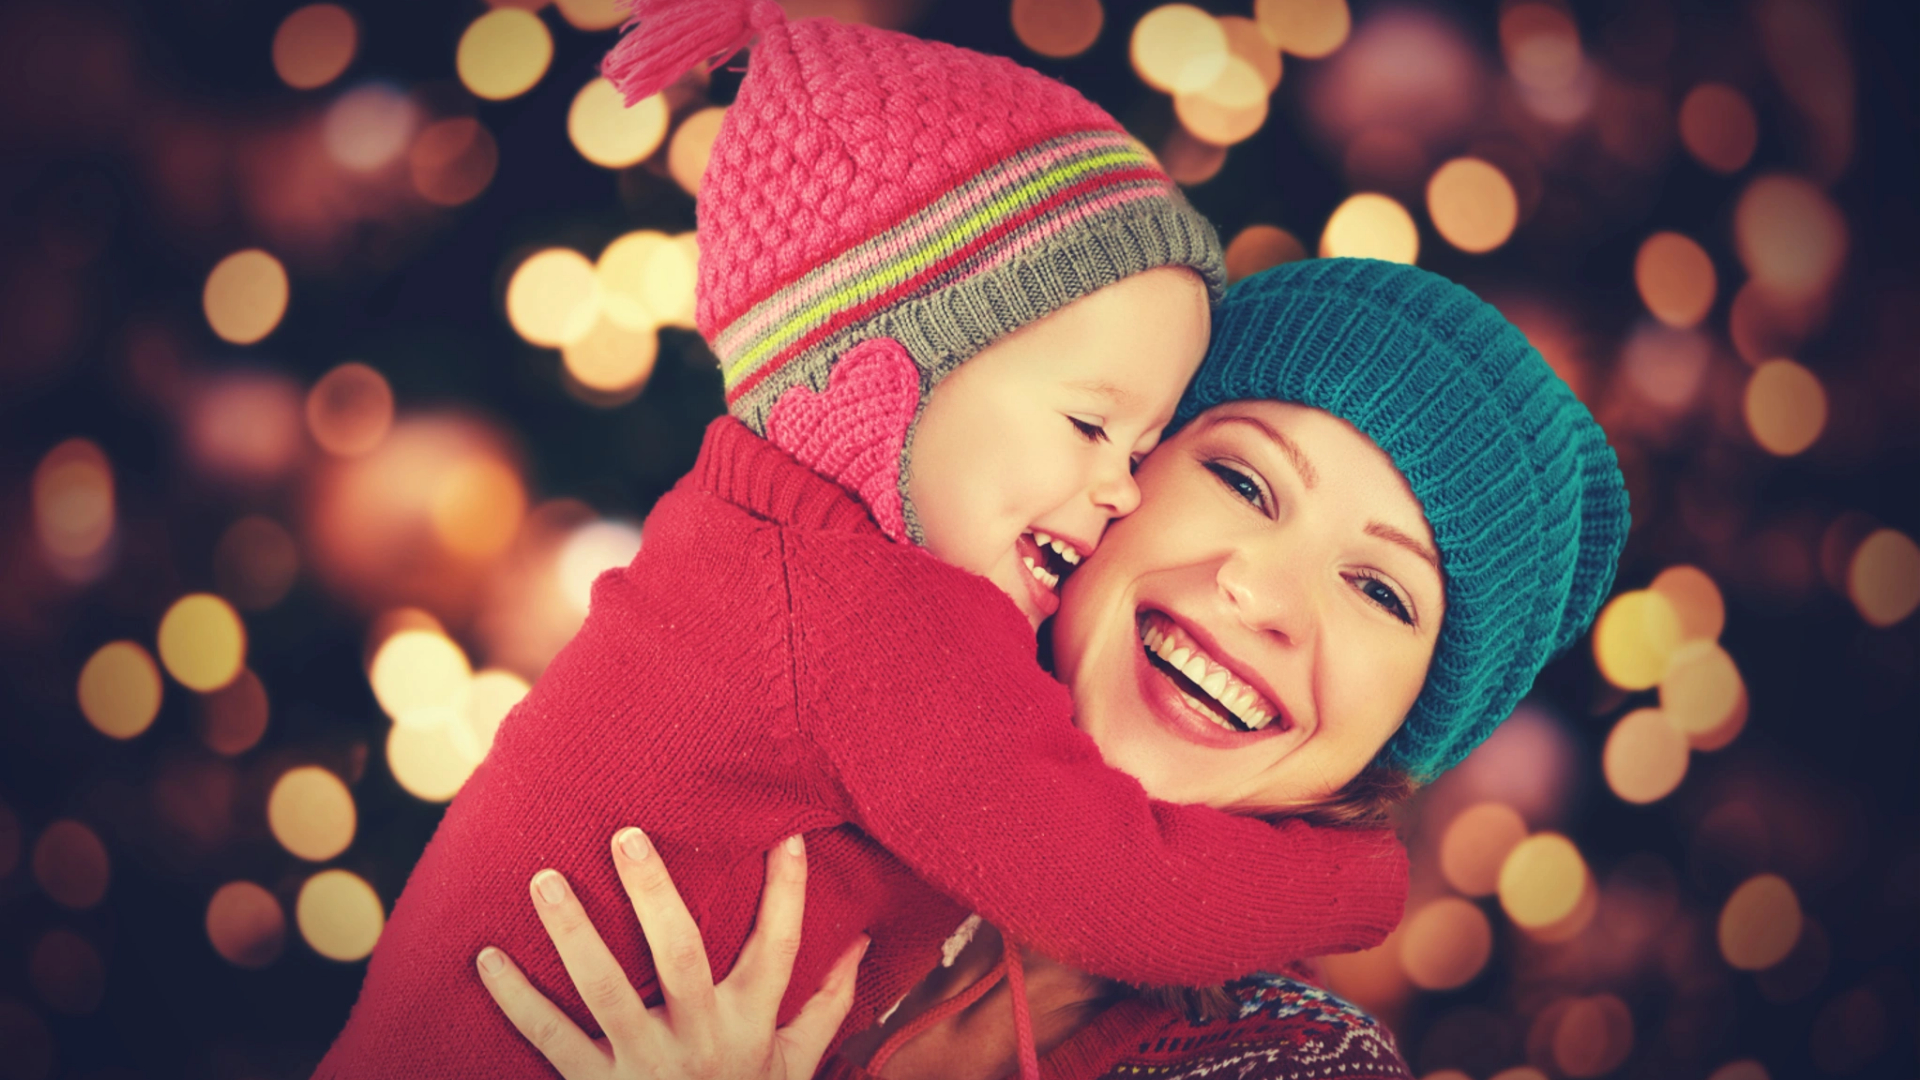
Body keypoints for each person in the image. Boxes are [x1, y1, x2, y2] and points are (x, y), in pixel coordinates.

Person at [313, 7, 1411, 1079]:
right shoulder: (877, 613)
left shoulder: (755, 537)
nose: (1120, 490)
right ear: (882, 383)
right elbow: (1110, 888)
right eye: (1089, 425)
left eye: (1144, 443)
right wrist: (1353, 883)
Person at [474, 257, 1633, 1079]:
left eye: (1382, 591)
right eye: (1244, 480)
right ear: (1115, 480)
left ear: (1406, 728)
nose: (1266, 596)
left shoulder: (1290, 1065)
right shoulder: (788, 717)